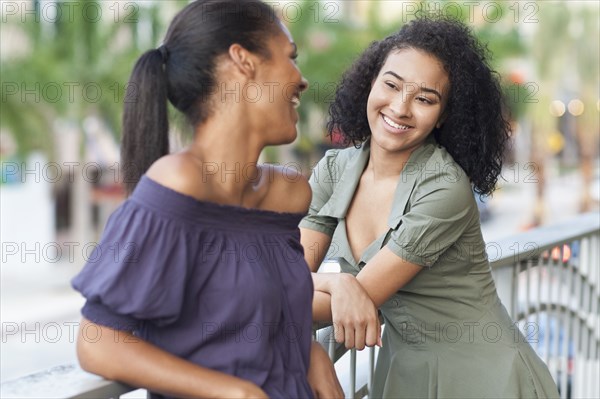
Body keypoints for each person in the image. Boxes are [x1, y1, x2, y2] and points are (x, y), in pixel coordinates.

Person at [71, 1, 343, 398]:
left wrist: (309, 350)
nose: (301, 80)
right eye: (291, 58)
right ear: (243, 60)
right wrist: (235, 392)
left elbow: (259, 317)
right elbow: (98, 341)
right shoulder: (177, 185)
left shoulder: (288, 194)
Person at [299, 16, 560, 398]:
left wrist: (285, 294)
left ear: (444, 115)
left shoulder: (444, 186)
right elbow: (287, 271)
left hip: (486, 379)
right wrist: (335, 284)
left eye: (425, 99)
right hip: (405, 374)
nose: (400, 108)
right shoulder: (334, 170)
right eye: (391, 85)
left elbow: (311, 294)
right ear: (370, 84)